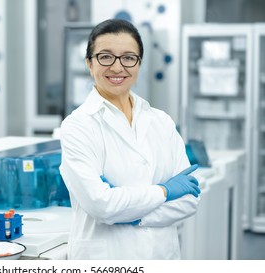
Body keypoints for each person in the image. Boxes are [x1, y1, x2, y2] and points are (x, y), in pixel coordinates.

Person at [59, 19, 201, 260]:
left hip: (161, 255)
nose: (117, 67)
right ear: (89, 64)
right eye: (105, 57)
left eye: (128, 57)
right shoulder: (78, 126)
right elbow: (101, 205)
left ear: (139, 64)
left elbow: (189, 200)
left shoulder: (161, 121)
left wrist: (131, 213)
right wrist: (165, 192)